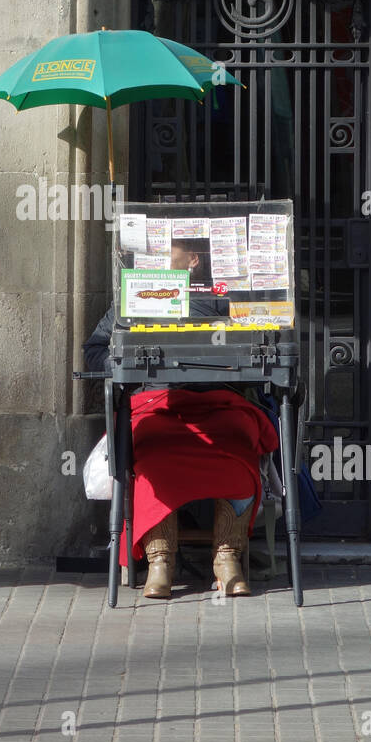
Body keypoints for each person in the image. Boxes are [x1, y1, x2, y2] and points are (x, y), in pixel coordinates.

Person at [83, 240, 278, 599]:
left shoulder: (227, 299)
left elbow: (267, 346)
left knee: (237, 444)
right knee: (153, 457)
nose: (155, 259)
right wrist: (127, 362)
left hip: (218, 405)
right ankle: (160, 561)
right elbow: (94, 351)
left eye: (166, 252)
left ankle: (227, 558)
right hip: (157, 405)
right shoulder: (137, 297)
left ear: (192, 260)